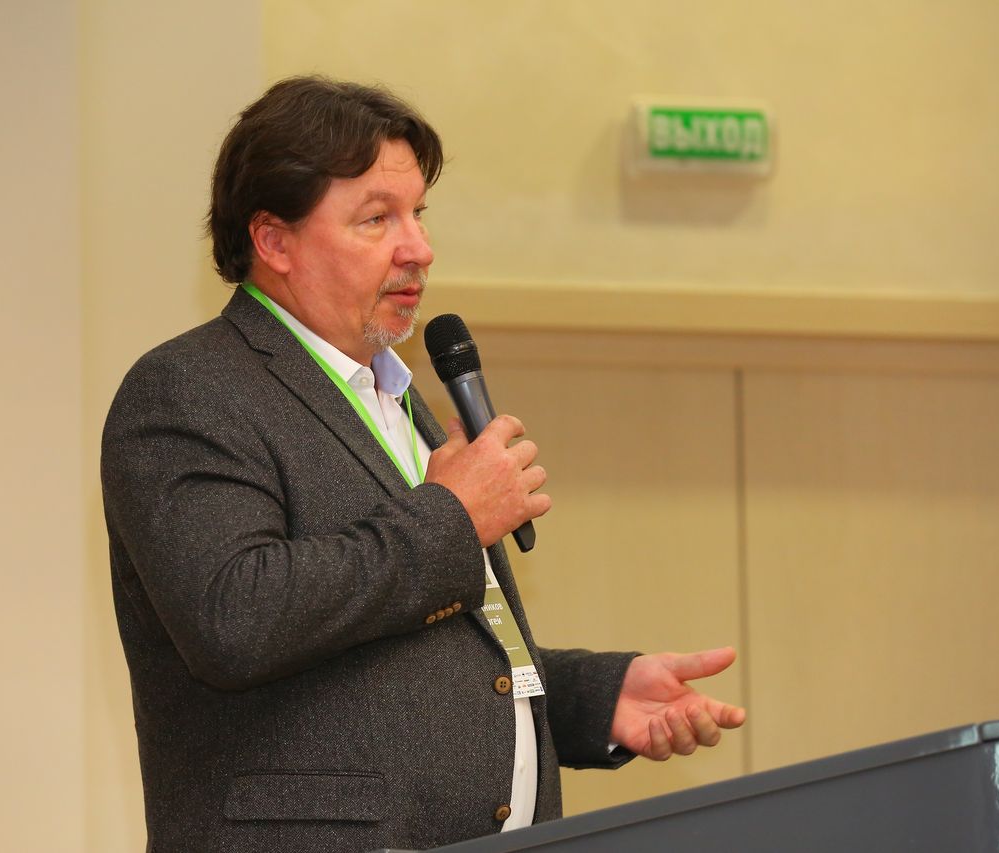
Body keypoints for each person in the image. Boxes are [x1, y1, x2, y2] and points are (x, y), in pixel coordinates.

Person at [101, 76, 745, 853]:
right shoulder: (191, 388)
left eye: (418, 214)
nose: (419, 248)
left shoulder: (392, 397)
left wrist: (595, 696)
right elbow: (235, 616)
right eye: (377, 219)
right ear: (274, 241)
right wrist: (452, 516)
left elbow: (418, 661)